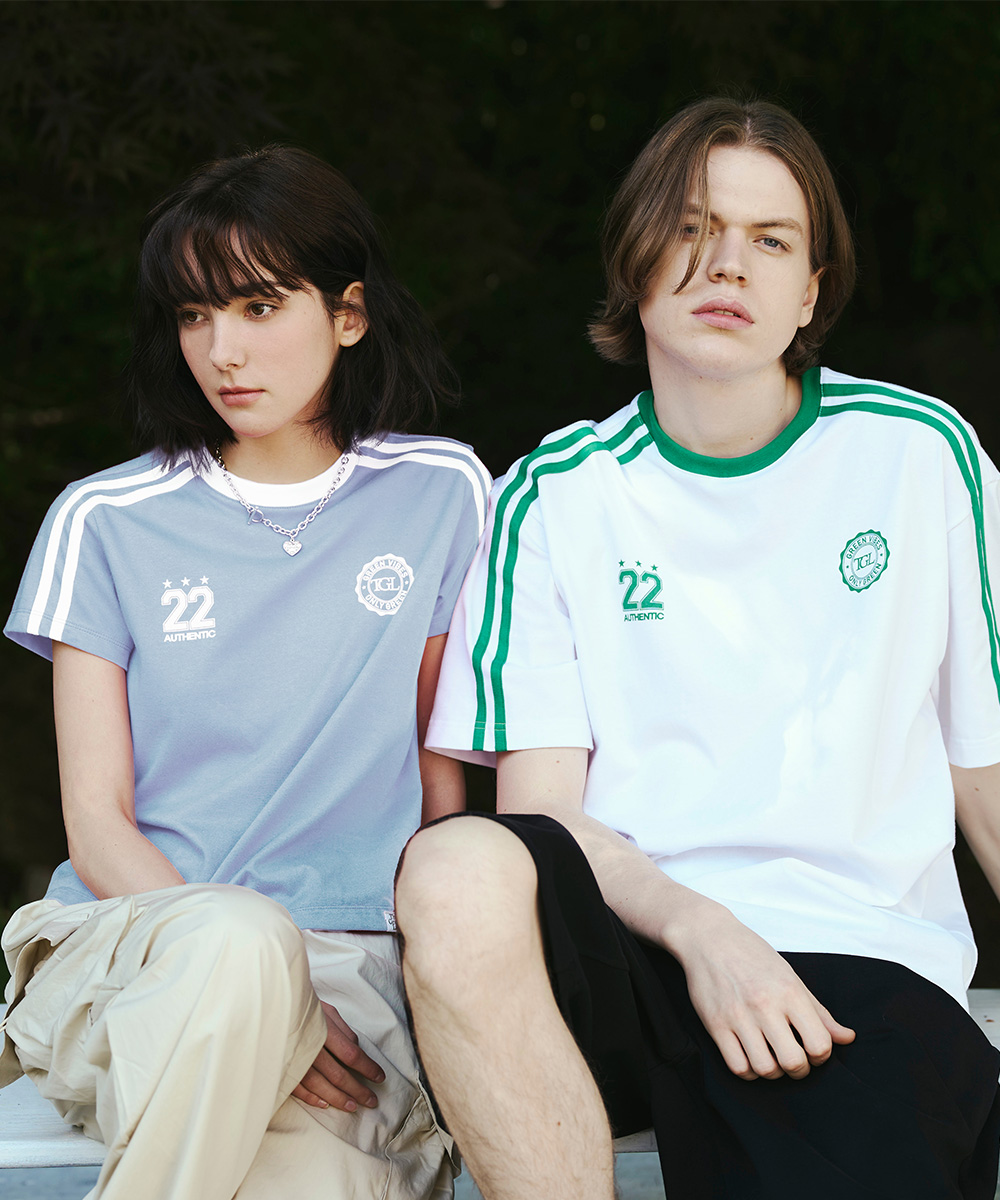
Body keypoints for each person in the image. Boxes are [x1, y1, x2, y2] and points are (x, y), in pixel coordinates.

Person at [394, 97, 1000, 1200]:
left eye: (770, 239)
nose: (727, 264)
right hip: (634, 948)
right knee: (456, 866)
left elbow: (983, 775)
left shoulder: (918, 458)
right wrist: (701, 930)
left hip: (858, 966)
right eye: (691, 228)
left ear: (810, 290)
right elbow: (545, 819)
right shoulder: (553, 494)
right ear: (633, 260)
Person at [1, 145, 490, 1200]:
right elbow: (96, 824)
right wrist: (270, 996)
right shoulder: (105, 519)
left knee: (310, 1185)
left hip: (353, 967)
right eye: (194, 316)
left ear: (348, 314)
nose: (222, 351)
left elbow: (437, 790)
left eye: (260, 307)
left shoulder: (443, 494)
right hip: (137, 940)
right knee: (237, 940)